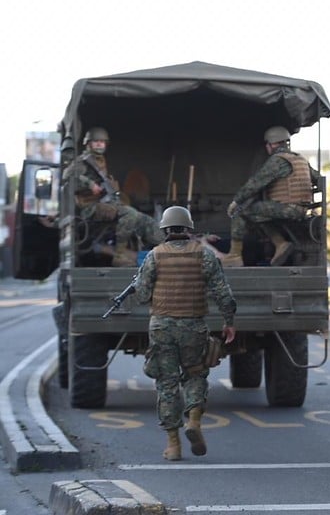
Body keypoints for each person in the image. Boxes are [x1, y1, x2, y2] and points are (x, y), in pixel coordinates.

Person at [134, 206, 237, 461]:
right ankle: (194, 421)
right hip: (194, 326)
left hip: (162, 328)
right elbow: (223, 293)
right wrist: (229, 321)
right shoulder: (204, 255)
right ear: (189, 228)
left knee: (167, 384)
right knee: (195, 374)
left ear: (165, 229)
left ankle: (173, 445)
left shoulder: (154, 256)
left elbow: (142, 295)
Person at [63, 127, 164, 266]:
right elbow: (67, 177)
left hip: (105, 203)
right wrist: (89, 184)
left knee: (144, 220)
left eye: (102, 142)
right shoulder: (82, 162)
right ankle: (119, 256)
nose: (99, 144)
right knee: (130, 214)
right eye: (96, 141)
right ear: (88, 143)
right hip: (89, 208)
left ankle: (165, 251)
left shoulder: (100, 161)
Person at [222, 126, 318, 267]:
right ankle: (281, 244)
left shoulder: (277, 160)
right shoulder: (299, 159)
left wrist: (236, 201)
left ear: (272, 144)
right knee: (258, 214)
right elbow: (317, 178)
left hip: (287, 210)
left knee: (242, 210)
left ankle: (234, 256)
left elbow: (255, 183)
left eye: (267, 144)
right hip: (302, 210)